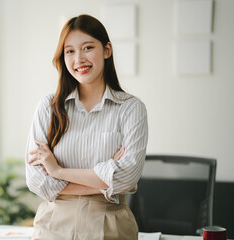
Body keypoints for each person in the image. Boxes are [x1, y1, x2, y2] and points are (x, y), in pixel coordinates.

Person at [25, 14, 148, 240]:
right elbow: (36, 180)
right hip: (54, 226)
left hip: (110, 225)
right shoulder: (48, 108)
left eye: (88, 47)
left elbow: (127, 177)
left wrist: (58, 172)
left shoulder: (131, 109)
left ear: (107, 50)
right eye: (70, 51)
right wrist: (106, 177)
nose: (78, 59)